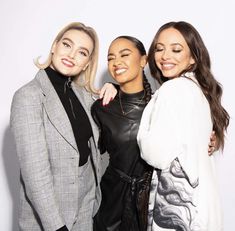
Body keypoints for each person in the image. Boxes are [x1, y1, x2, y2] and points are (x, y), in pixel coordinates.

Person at [10, 22, 116, 231]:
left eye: (82, 52)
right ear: (54, 46)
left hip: (86, 212)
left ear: (87, 63)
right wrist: (57, 227)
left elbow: (100, 142)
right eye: (67, 45)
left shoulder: (82, 96)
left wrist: (116, 88)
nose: (72, 55)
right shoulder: (28, 97)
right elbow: (35, 175)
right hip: (50, 219)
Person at [137, 21, 230, 231]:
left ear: (193, 57)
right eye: (159, 49)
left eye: (176, 49)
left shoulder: (173, 90)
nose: (165, 56)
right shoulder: (199, 92)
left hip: (182, 214)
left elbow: (156, 154)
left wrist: (142, 132)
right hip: (204, 208)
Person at [91, 36, 153, 231]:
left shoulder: (161, 104)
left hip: (150, 200)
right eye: (110, 58)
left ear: (144, 60)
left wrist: (209, 137)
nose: (116, 62)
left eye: (124, 55)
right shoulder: (102, 107)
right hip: (112, 199)